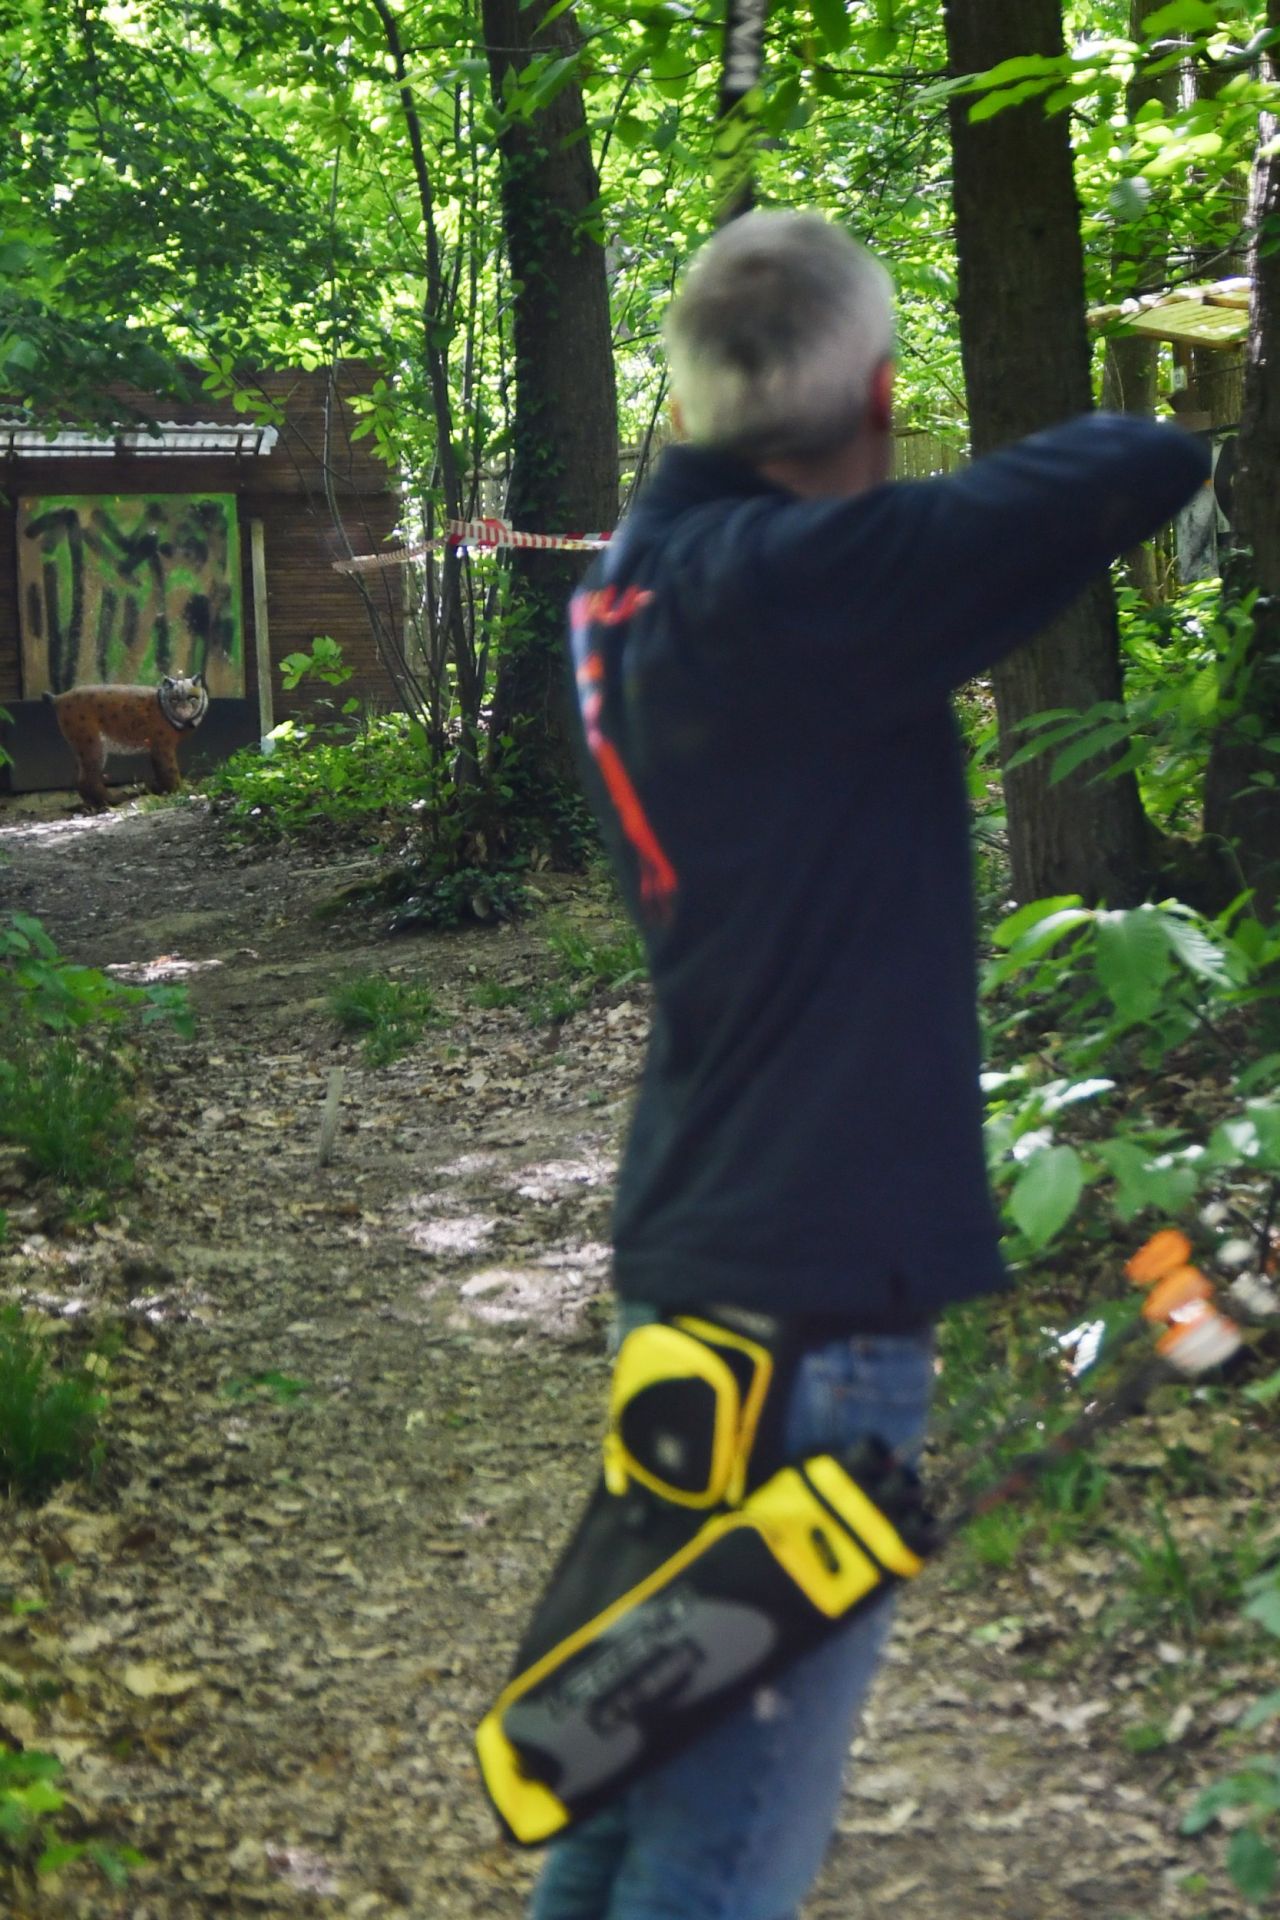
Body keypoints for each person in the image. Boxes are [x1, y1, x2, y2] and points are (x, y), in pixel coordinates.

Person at [530, 210, 1209, 1920]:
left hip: (696, 1262)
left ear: (685, 400)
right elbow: (1137, 461)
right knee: (720, 1852)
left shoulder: (635, 582)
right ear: (884, 394)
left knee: (625, 1777)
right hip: (809, 1321)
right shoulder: (797, 590)